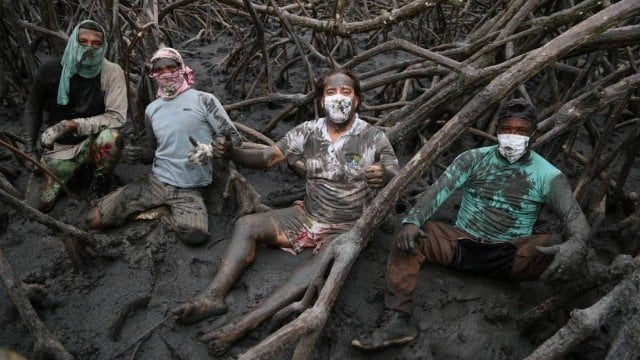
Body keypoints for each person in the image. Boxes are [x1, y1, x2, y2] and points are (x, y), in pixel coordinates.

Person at [351, 98, 592, 351]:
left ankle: (585, 335)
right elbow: (435, 194)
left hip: (512, 256)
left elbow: (576, 221)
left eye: (521, 132)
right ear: (496, 131)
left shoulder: (548, 175)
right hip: (462, 245)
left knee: (569, 251)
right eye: (507, 130)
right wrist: (412, 220)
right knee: (410, 233)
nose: (513, 136)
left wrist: (575, 243)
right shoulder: (472, 159)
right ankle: (396, 319)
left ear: (534, 135)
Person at [171, 68, 401, 324]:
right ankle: (211, 298)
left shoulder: (374, 137)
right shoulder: (308, 131)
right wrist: (231, 153)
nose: (339, 98)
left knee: (313, 270)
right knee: (247, 225)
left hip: (346, 227)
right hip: (307, 216)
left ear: (356, 100)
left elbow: (397, 174)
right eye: (331, 92)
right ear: (321, 100)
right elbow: (266, 158)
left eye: (346, 92)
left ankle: (247, 322)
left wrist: (385, 175)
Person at [86, 47, 241, 246]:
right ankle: (156, 209)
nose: (166, 74)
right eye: (159, 70)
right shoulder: (152, 110)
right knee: (93, 220)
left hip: (190, 188)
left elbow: (235, 139)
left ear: (182, 68)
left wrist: (212, 149)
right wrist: (139, 155)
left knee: (195, 236)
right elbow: (153, 151)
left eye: (172, 67)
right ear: (153, 75)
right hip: (155, 182)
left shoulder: (204, 101)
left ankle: (161, 214)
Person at [22, 20, 127, 211]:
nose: (89, 47)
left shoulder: (112, 72)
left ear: (103, 46)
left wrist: (70, 125)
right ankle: (72, 171)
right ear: (72, 42)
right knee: (37, 205)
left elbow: (116, 117)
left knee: (112, 138)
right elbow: (32, 108)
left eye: (96, 43)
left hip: (93, 144)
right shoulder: (51, 69)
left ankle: (99, 184)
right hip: (60, 147)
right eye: (83, 41)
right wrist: (29, 149)